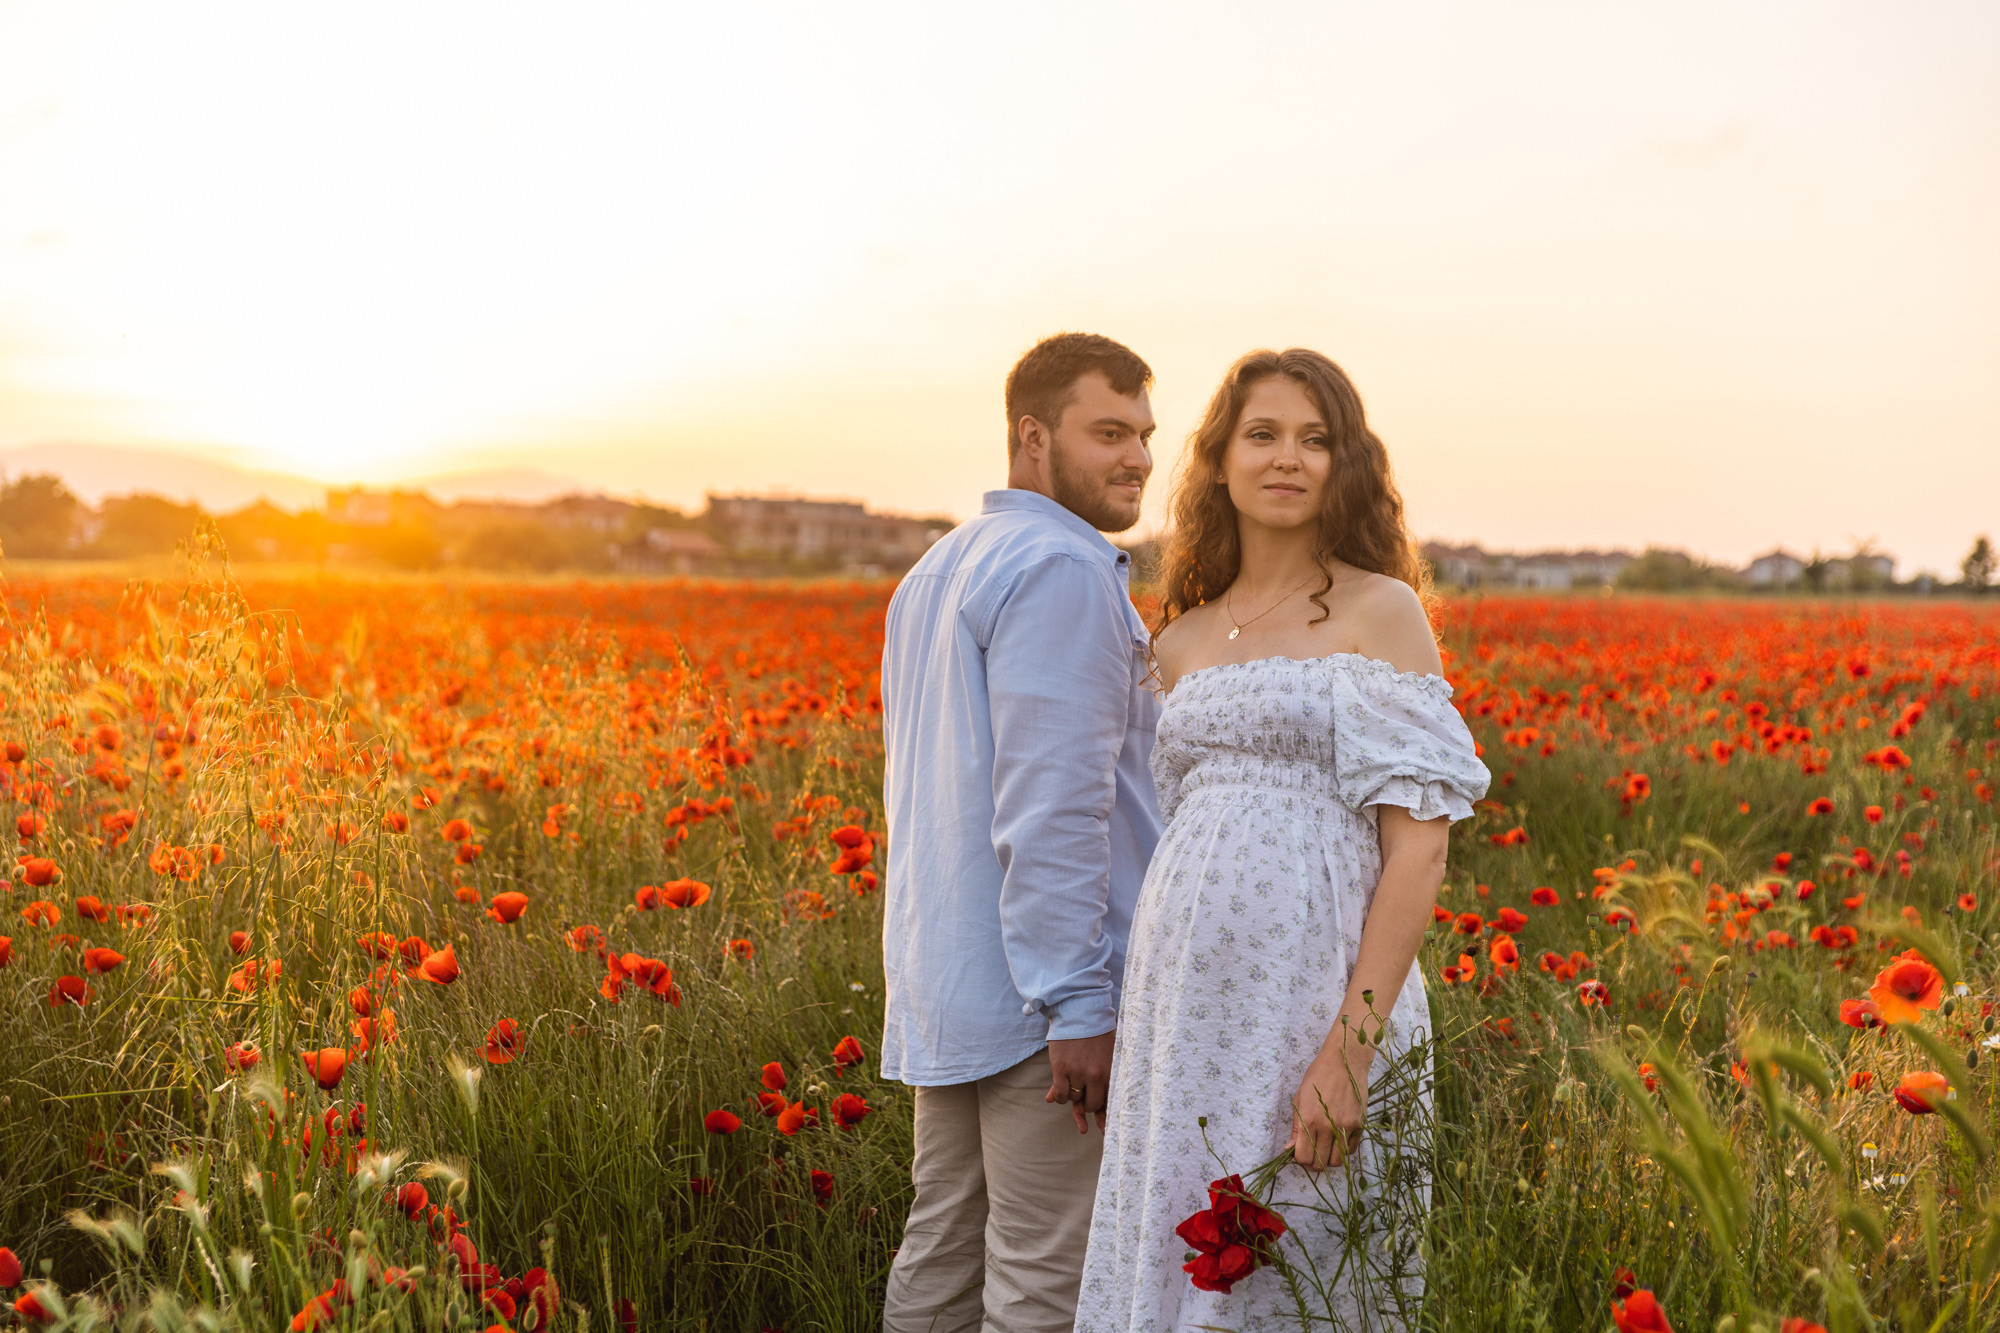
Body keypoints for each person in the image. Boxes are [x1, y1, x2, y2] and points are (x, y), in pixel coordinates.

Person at [1074, 349, 1490, 1331]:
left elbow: (1418, 851)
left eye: (1315, 439)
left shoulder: (1378, 611)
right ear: (1218, 458)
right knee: (1181, 1262)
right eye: (1261, 434)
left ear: (1345, 465)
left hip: (1316, 1000)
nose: (1286, 458)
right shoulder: (1176, 640)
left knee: (1301, 1268)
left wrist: (1349, 1049)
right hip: (1181, 1011)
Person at [879, 332, 1166, 1332]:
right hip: (1040, 1003)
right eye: (1107, 432)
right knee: (1044, 1283)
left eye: (1141, 434)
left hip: (948, 982)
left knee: (941, 1257)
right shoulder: (1062, 567)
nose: (1135, 456)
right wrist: (1078, 999)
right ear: (1031, 435)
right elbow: (1050, 807)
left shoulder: (939, 566)